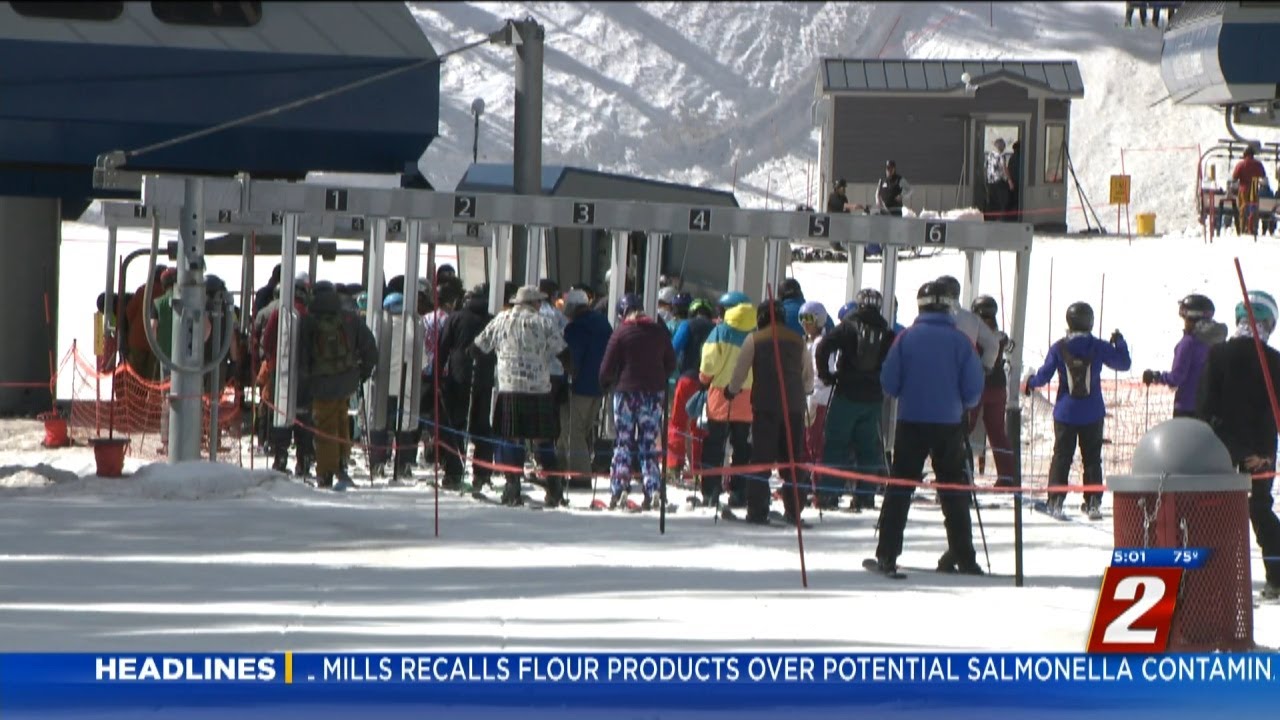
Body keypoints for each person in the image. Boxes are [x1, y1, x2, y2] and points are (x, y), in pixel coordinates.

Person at [871, 282, 985, 576]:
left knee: (900, 489)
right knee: (953, 490)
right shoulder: (961, 341)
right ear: (948, 306)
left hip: (911, 422)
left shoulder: (906, 338)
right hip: (949, 424)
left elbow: (889, 382)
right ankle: (964, 555)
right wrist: (960, 402)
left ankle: (887, 554)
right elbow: (974, 387)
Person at [1196, 290, 1280, 599]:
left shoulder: (1218, 355)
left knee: (1217, 513)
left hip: (1222, 448)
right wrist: (1258, 454)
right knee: (1260, 510)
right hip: (1261, 452)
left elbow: (1204, 408)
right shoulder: (1274, 360)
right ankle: (1278, 577)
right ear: (1268, 323)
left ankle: (1216, 580)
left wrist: (1234, 449)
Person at [1023, 302, 1131, 520]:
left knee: (1062, 456)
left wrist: (1030, 382)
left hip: (1065, 412)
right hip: (1093, 412)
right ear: (1090, 321)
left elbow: (1043, 377)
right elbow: (1124, 363)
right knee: (1092, 458)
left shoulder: (1059, 347)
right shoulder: (1098, 346)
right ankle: (1093, 504)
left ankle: (1055, 502)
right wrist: (1120, 342)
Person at [473, 285, 568, 506]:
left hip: (509, 388)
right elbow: (563, 351)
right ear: (533, 303)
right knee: (543, 439)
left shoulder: (501, 320)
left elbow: (477, 348)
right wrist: (571, 369)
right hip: (538, 390)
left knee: (510, 437)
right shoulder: (543, 322)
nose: (540, 305)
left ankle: (512, 485)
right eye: (538, 302)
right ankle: (554, 487)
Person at [725, 300, 814, 525]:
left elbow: (740, 370)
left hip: (765, 407)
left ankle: (757, 509)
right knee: (793, 460)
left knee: (761, 460)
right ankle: (794, 510)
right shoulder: (798, 340)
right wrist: (804, 390)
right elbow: (808, 375)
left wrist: (731, 391)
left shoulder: (754, 339)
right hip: (793, 407)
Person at [816, 288, 895, 512]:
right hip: (872, 398)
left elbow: (823, 347)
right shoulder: (886, 331)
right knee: (868, 449)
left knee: (836, 445)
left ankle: (830, 494)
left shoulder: (849, 325)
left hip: (846, 394)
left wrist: (826, 375)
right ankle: (865, 496)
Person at [598, 293, 677, 509]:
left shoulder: (621, 333)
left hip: (626, 393)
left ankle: (619, 488)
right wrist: (658, 376)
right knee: (649, 443)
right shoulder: (659, 332)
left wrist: (606, 381)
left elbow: (606, 368)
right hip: (653, 394)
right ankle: (653, 489)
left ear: (623, 313)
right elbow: (671, 362)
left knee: (623, 442)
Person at [297, 281, 378, 489]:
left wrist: (306, 381)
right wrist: (361, 374)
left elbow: (302, 356)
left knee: (325, 428)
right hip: (346, 381)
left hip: (321, 383)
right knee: (341, 421)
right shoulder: (350, 318)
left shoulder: (309, 321)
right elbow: (370, 349)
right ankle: (342, 463)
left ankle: (325, 473)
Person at [698, 292, 756, 507]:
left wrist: (703, 379)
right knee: (742, 448)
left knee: (715, 446)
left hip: (721, 399)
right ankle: (739, 491)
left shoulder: (720, 332)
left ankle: (711, 491)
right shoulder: (754, 334)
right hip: (748, 399)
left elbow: (709, 365)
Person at [437, 284, 497, 491]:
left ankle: (453, 471)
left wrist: (437, 376)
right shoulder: (491, 319)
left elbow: (442, 347)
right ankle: (482, 473)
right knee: (481, 426)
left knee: (455, 425)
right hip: (485, 377)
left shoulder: (455, 317)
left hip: (458, 377)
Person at [1142, 294, 1228, 418]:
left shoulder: (1188, 343)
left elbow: (1177, 377)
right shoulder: (1218, 342)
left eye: (1185, 318)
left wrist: (1157, 377)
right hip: (1210, 408)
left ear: (1192, 318)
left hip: (1186, 409)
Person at [262, 274, 314, 477]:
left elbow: (267, 340)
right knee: (303, 416)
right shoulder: (309, 316)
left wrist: (271, 359)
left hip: (281, 372)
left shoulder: (279, 313)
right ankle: (304, 459)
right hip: (305, 375)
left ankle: (281, 456)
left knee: (281, 412)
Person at [562, 288, 613, 488]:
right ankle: (580, 467)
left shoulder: (575, 328)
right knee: (586, 431)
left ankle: (580, 476)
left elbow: (573, 357)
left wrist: (569, 377)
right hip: (600, 386)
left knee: (574, 431)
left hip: (580, 386)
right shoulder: (603, 323)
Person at [968, 295, 1017, 487]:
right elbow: (1011, 346)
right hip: (998, 388)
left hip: (976, 386)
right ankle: (1007, 477)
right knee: (998, 433)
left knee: (963, 430)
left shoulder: (976, 334)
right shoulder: (1000, 335)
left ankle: (964, 475)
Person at [667, 298, 715, 480]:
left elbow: (674, 349)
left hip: (687, 379)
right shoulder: (715, 328)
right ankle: (698, 470)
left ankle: (674, 466)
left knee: (678, 423)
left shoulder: (687, 325)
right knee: (699, 428)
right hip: (707, 383)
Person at [798, 300, 834, 501]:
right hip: (809, 396)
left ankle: (817, 486)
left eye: (809, 319)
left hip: (817, 398)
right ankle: (806, 484)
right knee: (805, 441)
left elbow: (821, 373)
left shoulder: (821, 343)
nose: (804, 323)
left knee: (814, 443)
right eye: (801, 319)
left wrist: (811, 391)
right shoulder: (809, 342)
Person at [934, 275, 1000, 372]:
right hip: (965, 372)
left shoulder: (932, 317)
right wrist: (984, 367)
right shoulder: (973, 319)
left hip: (937, 370)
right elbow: (993, 344)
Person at [1233, 145, 1269, 234]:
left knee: (1243, 209)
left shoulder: (1240, 164)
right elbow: (1263, 175)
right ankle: (1253, 229)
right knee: (1253, 208)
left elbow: (1234, 177)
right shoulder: (1258, 164)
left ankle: (1243, 228)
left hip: (1243, 188)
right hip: (1254, 186)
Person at [984, 138, 1012, 221]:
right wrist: (1010, 180)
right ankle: (1000, 218)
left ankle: (990, 219)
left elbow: (985, 168)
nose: (1004, 147)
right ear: (1000, 146)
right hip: (1000, 181)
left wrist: (985, 180)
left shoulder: (990, 155)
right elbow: (1004, 168)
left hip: (990, 182)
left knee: (992, 201)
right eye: (1003, 145)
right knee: (1002, 201)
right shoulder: (1001, 155)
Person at [1007, 142, 1021, 222]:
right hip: (1018, 181)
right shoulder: (1020, 157)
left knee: (1013, 198)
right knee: (1016, 199)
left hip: (1013, 180)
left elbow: (1009, 168)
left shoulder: (1012, 157)